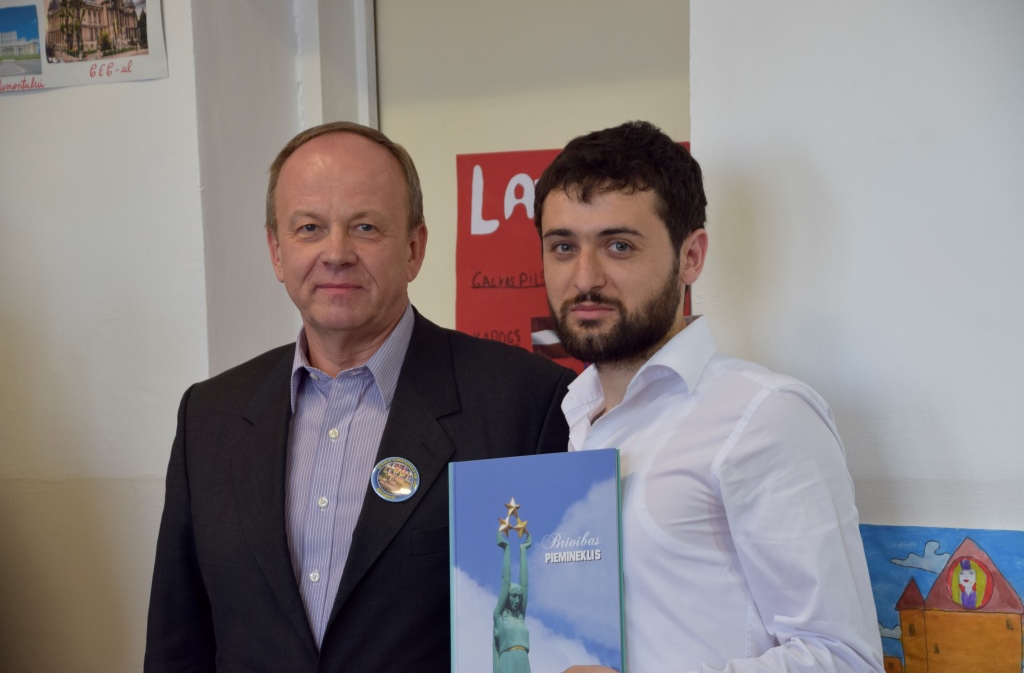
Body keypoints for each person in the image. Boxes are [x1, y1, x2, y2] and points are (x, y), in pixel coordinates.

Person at [144, 122, 575, 672]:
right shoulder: (209, 417)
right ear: (277, 251)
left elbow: (552, 635)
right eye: (309, 228)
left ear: (414, 248)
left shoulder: (528, 402)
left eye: (365, 227)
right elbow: (178, 646)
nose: (336, 253)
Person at [534, 121, 884, 673]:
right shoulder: (573, 415)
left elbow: (845, 659)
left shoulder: (765, 415)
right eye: (563, 247)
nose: (584, 278)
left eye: (618, 246)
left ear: (691, 257)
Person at [494, 530, 531, 673]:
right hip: (508, 660)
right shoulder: (499, 617)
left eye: (519, 597)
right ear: (507, 596)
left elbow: (525, 585)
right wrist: (507, 548)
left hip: (524, 661)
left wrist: (523, 550)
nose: (517, 600)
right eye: (514, 596)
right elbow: (505, 581)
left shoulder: (520, 617)